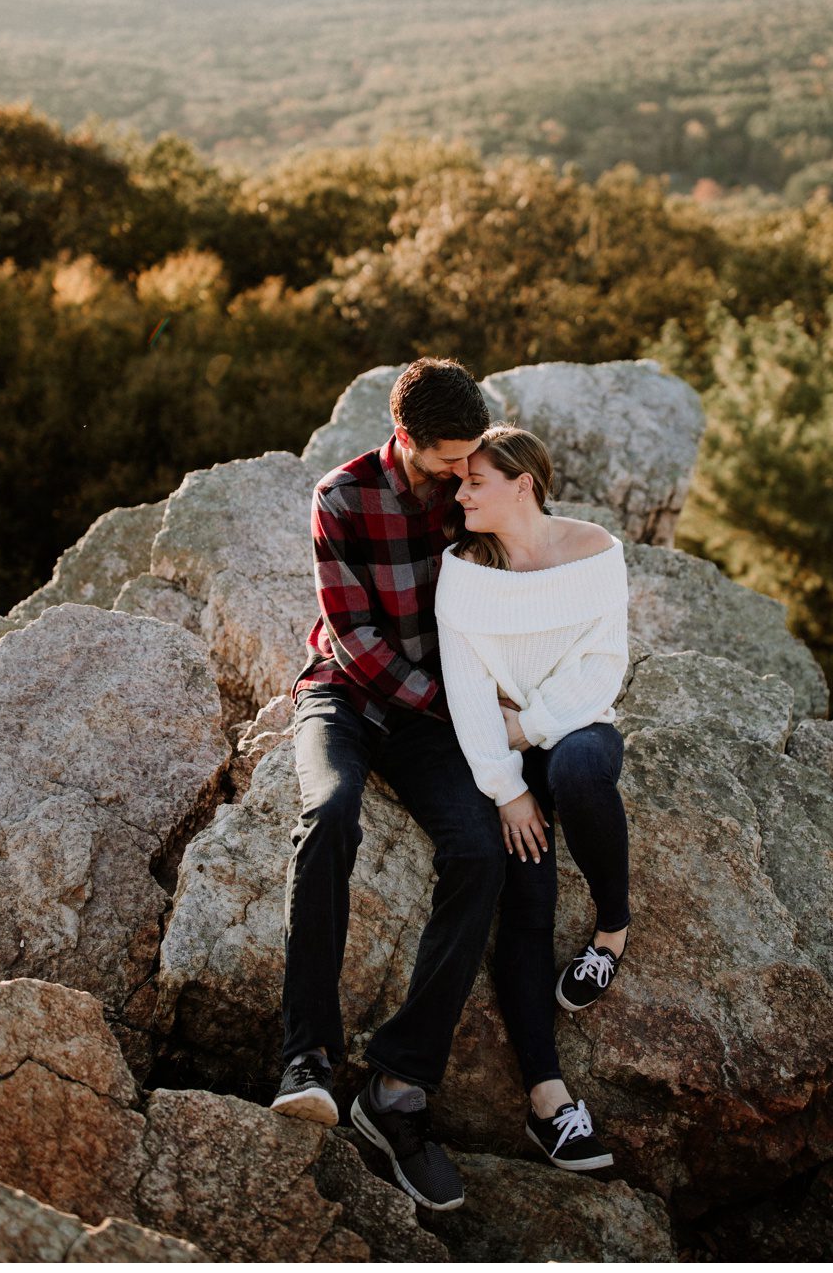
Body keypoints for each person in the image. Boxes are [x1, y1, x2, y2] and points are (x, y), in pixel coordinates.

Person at [270, 358, 501, 1213]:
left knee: (480, 852)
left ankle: (398, 1092)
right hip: (348, 693)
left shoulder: (476, 483)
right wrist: (455, 709)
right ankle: (307, 1058)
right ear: (407, 439)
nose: (464, 470)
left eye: (473, 453)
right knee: (329, 816)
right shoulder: (342, 495)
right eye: (451, 456)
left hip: (435, 715)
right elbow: (355, 635)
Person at [434, 425, 634, 1174]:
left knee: (583, 770)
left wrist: (535, 728)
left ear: (523, 483)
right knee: (526, 889)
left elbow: (602, 667)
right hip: (501, 750)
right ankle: (550, 1103)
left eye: (475, 481)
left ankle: (612, 929)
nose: (460, 494)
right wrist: (505, 787)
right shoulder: (462, 572)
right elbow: (467, 693)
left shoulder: (596, 553)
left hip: (575, 728)